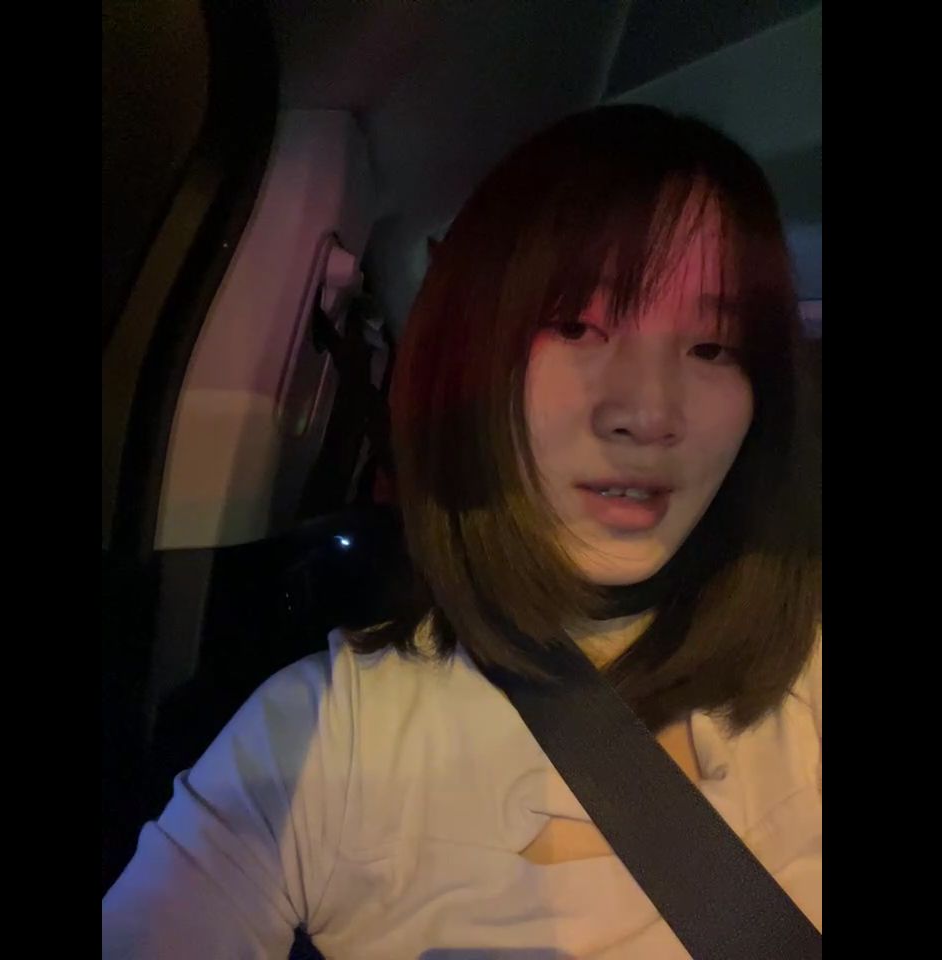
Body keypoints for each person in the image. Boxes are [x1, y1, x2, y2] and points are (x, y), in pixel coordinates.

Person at [103, 104, 821, 959]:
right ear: (478, 359)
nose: (648, 413)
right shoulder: (326, 736)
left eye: (712, 347)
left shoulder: (807, 662)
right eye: (577, 326)